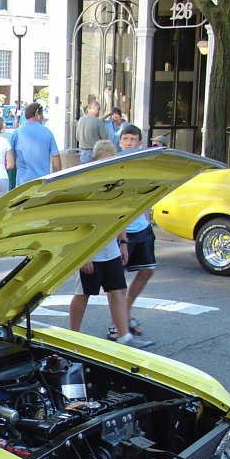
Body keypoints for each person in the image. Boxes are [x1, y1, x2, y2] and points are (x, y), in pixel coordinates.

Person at [68, 141, 152, 349]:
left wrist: (123, 242)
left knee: (118, 290)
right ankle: (72, 337)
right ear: (96, 159)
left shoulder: (116, 184)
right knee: (83, 294)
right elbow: (79, 221)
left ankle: (124, 336)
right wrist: (84, 255)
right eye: (104, 160)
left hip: (110, 248)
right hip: (90, 249)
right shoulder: (89, 184)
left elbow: (119, 217)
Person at [117, 125, 156, 344]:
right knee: (117, 281)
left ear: (140, 143)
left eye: (133, 139)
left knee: (147, 270)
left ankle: (126, 312)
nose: (129, 142)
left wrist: (148, 217)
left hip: (141, 227)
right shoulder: (116, 164)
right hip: (122, 230)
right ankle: (117, 324)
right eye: (126, 139)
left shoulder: (143, 165)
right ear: (120, 141)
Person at [10, 102, 61, 186]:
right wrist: (57, 179)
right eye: (42, 115)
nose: (43, 118)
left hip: (23, 183)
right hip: (43, 182)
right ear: (37, 114)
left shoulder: (17, 132)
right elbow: (55, 157)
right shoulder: (47, 132)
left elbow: (10, 157)